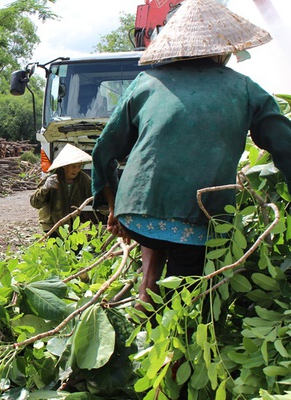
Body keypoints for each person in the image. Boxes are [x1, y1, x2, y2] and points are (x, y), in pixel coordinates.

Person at [91, 0, 291, 312]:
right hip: (197, 217)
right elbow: (285, 146)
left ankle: (148, 285)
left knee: (156, 231)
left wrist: (115, 207)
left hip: (136, 214)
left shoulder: (146, 82)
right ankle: (171, 338)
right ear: (225, 48)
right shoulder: (246, 88)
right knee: (183, 300)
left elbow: (104, 150)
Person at [30, 144, 99, 237]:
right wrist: (45, 189)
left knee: (76, 249)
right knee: (57, 248)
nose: (76, 170)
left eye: (79, 166)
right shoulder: (53, 178)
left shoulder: (82, 178)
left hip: (71, 224)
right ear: (64, 166)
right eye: (73, 166)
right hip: (52, 225)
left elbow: (94, 192)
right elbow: (35, 203)